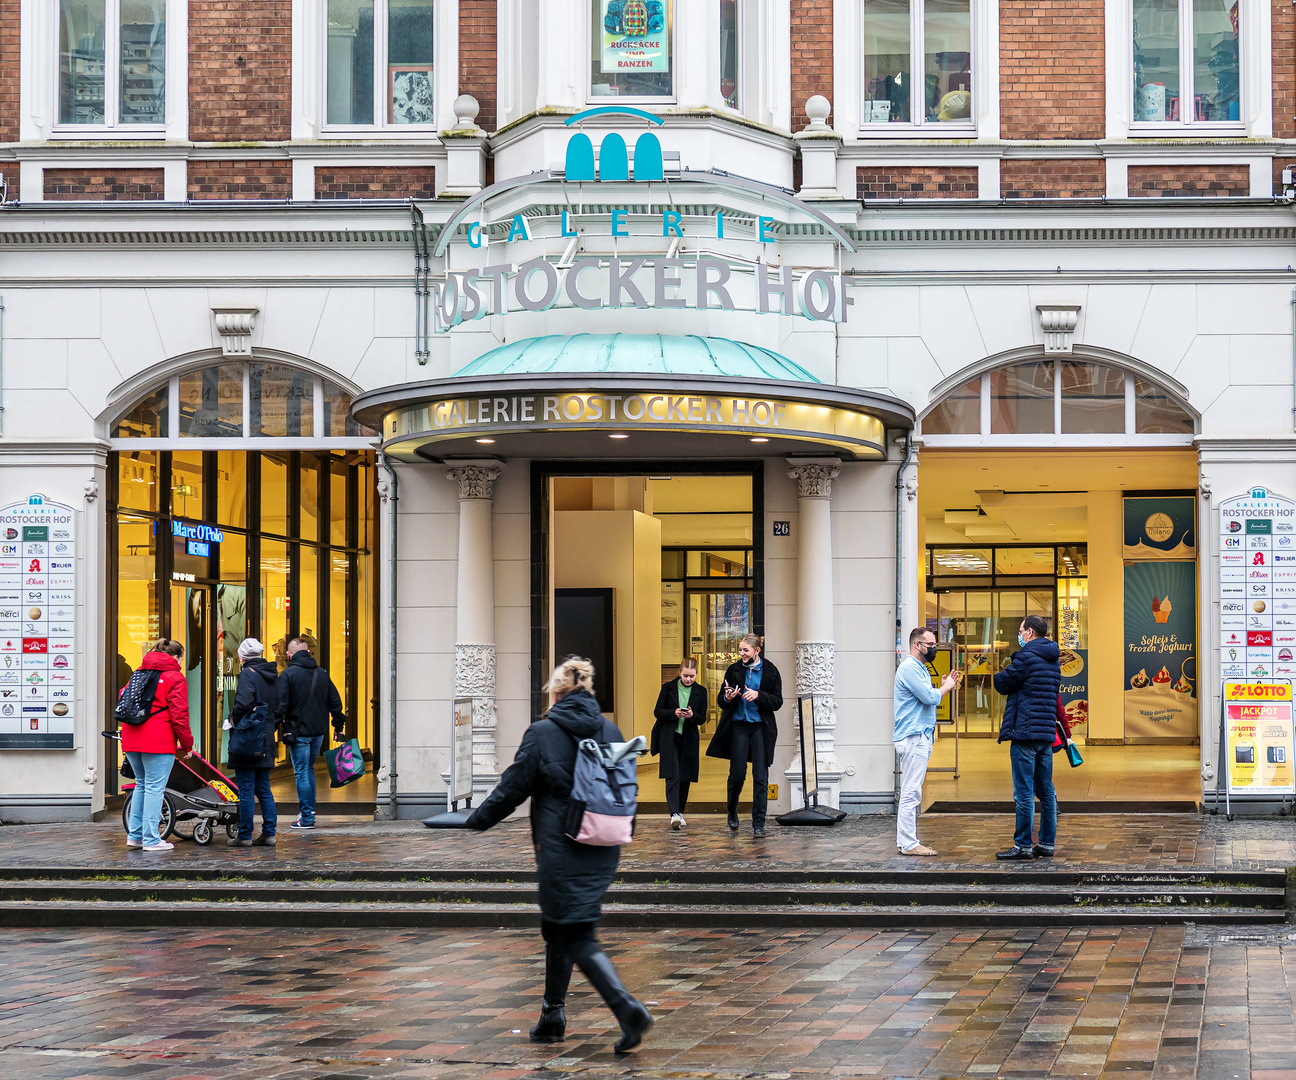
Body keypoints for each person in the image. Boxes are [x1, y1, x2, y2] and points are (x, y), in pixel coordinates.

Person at [466, 656, 654, 1054]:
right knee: (559, 926)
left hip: (561, 849)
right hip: (603, 845)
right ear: (587, 691)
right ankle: (552, 1015)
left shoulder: (542, 732)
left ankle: (628, 1010)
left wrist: (474, 820)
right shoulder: (609, 728)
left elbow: (512, 788)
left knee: (576, 932)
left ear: (554, 694)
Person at [992, 615, 1061, 861]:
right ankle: (1046, 843)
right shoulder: (1054, 659)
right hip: (1044, 734)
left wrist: (1006, 667)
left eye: (1020, 631)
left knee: (1023, 793)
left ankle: (1023, 846)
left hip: (1024, 732)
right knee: (1046, 791)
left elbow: (1002, 682)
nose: (1019, 635)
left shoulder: (1026, 657)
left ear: (1030, 632)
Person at [893, 627, 961, 857]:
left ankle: (906, 841)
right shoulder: (910, 668)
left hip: (918, 734)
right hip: (914, 736)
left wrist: (940, 688)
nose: (933, 648)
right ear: (917, 645)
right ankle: (909, 842)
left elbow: (929, 695)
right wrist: (946, 687)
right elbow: (930, 697)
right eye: (930, 645)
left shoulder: (918, 668)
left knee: (912, 790)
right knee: (912, 791)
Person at [706, 633, 783, 838]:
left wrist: (758, 696)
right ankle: (732, 809)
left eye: (745, 650)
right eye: (740, 650)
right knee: (737, 774)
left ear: (757, 651)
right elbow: (722, 701)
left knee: (761, 777)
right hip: (738, 726)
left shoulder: (770, 671)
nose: (741, 654)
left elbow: (777, 702)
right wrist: (728, 696)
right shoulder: (734, 670)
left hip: (761, 728)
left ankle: (759, 824)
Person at [120, 639, 193, 852]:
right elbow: (179, 715)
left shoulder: (138, 673)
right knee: (154, 787)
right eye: (181, 658)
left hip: (131, 736)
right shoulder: (174, 677)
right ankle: (151, 839)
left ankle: (135, 835)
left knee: (142, 785)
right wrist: (187, 743)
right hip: (158, 739)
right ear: (176, 657)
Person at [277, 637, 345, 831]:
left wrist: (271, 728)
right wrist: (338, 727)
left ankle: (306, 817)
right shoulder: (322, 674)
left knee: (301, 773)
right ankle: (309, 812)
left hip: (298, 733)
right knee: (309, 769)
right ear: (308, 652)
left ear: (289, 655)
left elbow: (280, 706)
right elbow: (335, 702)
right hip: (318, 732)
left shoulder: (288, 675)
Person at [226, 637, 280, 847]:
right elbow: (279, 705)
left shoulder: (248, 674)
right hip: (266, 738)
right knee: (264, 788)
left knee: (246, 788)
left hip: (249, 738)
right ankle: (269, 832)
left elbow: (243, 703)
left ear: (242, 657)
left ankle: (245, 834)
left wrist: (232, 719)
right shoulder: (272, 675)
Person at [650, 657, 708, 830]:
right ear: (679, 673)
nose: (688, 679)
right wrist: (674, 713)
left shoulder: (701, 691)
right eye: (685, 676)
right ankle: (674, 813)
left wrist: (692, 716)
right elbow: (658, 711)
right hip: (670, 735)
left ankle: (680, 812)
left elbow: (702, 717)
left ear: (697, 674)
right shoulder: (668, 688)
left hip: (689, 737)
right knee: (672, 774)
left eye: (692, 676)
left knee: (685, 776)